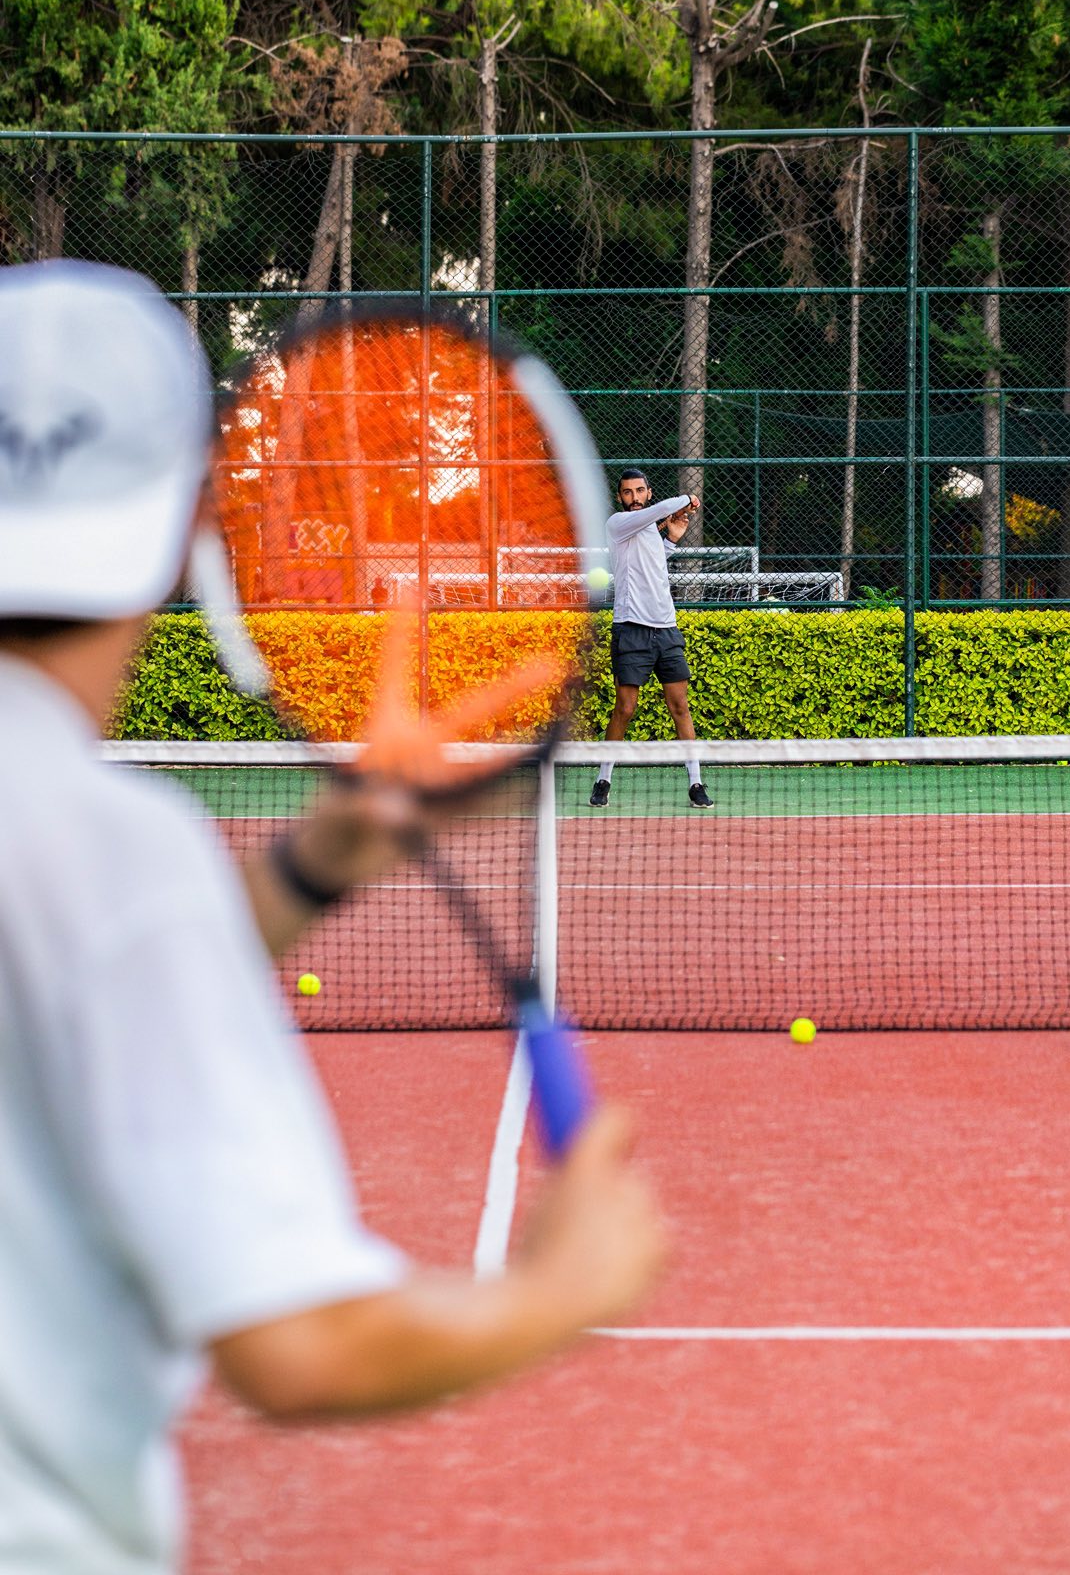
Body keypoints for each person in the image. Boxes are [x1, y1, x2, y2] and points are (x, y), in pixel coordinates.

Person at [0, 261, 665, 1575]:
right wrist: (558, 1292)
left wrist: (319, 863)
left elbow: (64, 990)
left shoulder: (98, 870)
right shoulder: (113, 855)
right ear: (199, 518)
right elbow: (296, 1351)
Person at [590, 467, 713, 810]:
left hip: (666, 630)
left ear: (648, 492)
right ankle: (603, 779)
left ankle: (696, 782)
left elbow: (653, 566)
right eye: (627, 492)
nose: (633, 498)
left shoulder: (647, 530)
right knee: (625, 708)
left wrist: (671, 541)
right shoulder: (618, 523)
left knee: (680, 707)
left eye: (639, 491)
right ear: (620, 498)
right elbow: (661, 511)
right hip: (630, 630)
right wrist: (688, 499)